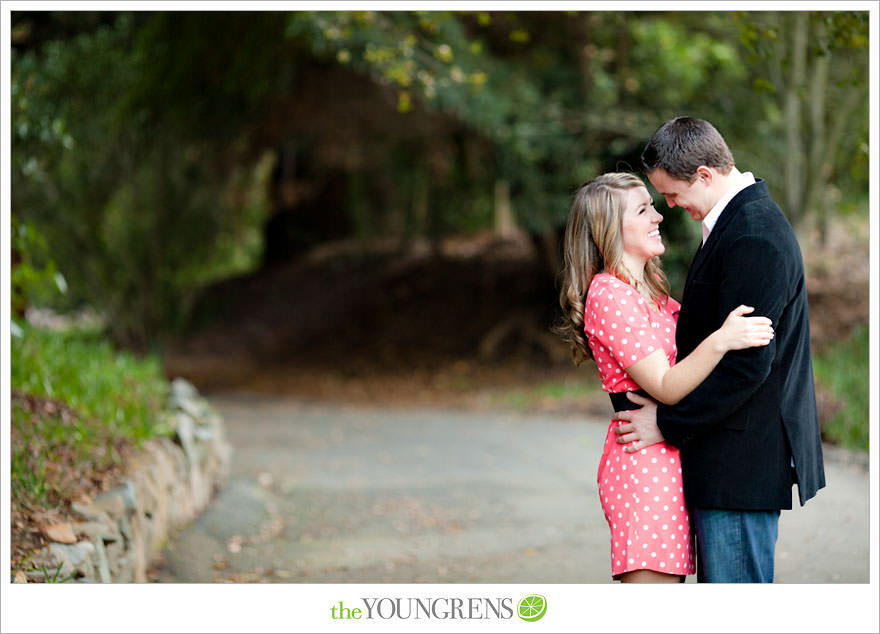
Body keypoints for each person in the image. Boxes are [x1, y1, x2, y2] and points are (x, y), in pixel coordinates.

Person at [612, 116, 826, 583]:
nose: (670, 206)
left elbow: (747, 367)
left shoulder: (754, 234)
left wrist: (666, 424)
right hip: (727, 456)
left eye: (671, 194)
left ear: (705, 175)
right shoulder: (737, 223)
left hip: (740, 462)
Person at [556, 172, 775, 583]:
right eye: (642, 210)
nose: (658, 216)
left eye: (653, 205)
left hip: (670, 463)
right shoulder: (608, 294)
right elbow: (666, 384)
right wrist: (723, 339)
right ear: (608, 229)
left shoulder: (652, 289)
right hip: (643, 471)